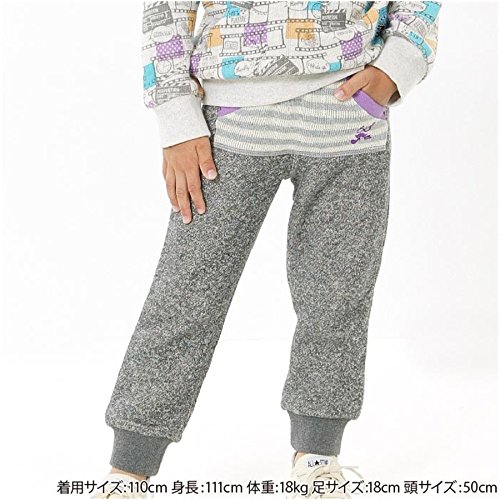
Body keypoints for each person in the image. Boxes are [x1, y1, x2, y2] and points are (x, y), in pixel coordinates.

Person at [91, 2, 440, 498]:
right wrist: (177, 117)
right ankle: (130, 467)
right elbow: (166, 8)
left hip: (349, 117)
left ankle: (318, 454)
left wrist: (397, 67)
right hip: (230, 119)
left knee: (338, 297)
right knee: (186, 293)